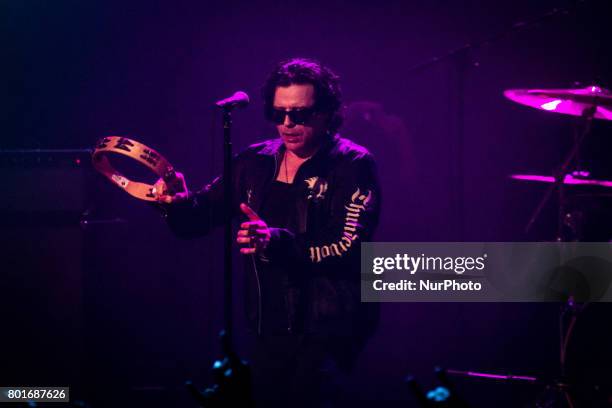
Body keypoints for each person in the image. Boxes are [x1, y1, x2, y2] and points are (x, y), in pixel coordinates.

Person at [155, 58, 381, 407]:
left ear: (326, 112)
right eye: (279, 114)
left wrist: (276, 241)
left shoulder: (352, 164)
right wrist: (173, 199)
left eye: (300, 114)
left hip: (328, 328)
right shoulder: (254, 163)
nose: (288, 124)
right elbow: (197, 220)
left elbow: (350, 247)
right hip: (269, 326)